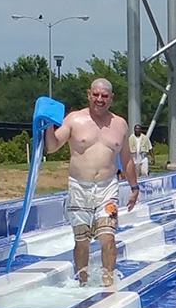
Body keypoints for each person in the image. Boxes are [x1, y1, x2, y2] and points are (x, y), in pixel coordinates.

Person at [44, 78, 139, 286]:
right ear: (89, 94)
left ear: (111, 98)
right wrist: (48, 123)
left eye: (104, 96)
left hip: (107, 187)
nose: (100, 99)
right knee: (82, 241)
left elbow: (127, 159)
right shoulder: (74, 120)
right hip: (79, 187)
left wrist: (134, 187)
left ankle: (108, 280)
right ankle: (83, 282)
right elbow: (51, 147)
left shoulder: (120, 124)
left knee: (108, 237)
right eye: (96, 94)